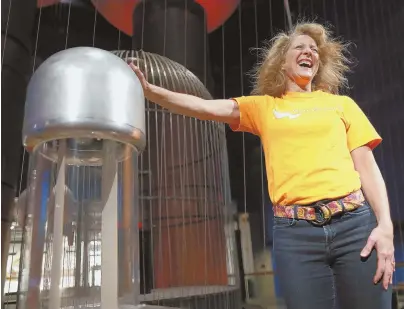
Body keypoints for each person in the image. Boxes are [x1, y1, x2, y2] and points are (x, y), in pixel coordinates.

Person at [129, 22, 394, 309]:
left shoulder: (342, 105)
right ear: (282, 61)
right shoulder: (265, 107)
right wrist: (151, 91)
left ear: (319, 63)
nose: (309, 52)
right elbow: (203, 107)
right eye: (300, 47)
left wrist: (385, 227)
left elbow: (367, 166)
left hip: (354, 226)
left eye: (314, 50)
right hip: (295, 235)